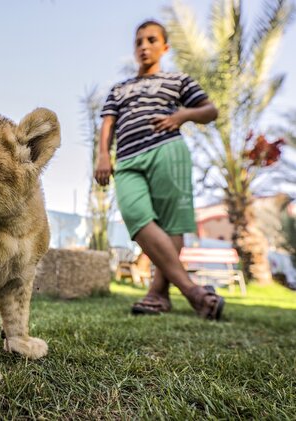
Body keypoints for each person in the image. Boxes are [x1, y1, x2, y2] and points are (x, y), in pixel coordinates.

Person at [95, 19, 225, 319]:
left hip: (168, 151)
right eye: (139, 41)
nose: (144, 46)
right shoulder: (120, 88)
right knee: (135, 215)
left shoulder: (178, 80)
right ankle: (193, 291)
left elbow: (210, 110)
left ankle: (157, 293)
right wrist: (103, 156)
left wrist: (182, 116)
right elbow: (108, 123)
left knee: (171, 224)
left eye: (151, 40)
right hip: (127, 158)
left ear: (164, 47)